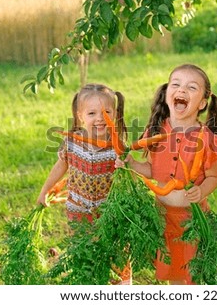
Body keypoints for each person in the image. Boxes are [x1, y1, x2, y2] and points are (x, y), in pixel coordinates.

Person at [116, 64, 217, 285]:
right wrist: (131, 164)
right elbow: (151, 170)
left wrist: (201, 190)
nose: (182, 90)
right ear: (167, 95)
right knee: (173, 273)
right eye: (176, 84)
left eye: (192, 87)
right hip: (162, 217)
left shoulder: (207, 139)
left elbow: (213, 177)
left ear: (203, 103)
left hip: (192, 220)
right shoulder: (156, 132)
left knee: (192, 273)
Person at [36, 83, 131, 284]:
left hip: (110, 212)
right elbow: (60, 167)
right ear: (80, 116)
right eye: (92, 113)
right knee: (84, 251)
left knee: (116, 254)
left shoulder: (118, 146)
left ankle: (123, 288)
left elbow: (129, 175)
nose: (100, 118)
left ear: (114, 114)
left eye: (106, 112)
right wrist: (45, 190)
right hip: (78, 209)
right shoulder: (71, 143)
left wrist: (125, 164)